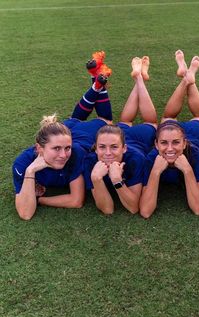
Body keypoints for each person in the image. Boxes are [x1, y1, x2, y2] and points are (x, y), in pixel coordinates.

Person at [12, 51, 113, 220]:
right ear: (39, 148)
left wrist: (41, 200)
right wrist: (31, 171)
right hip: (65, 131)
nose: (63, 154)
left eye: (66, 148)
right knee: (74, 118)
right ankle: (97, 80)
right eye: (56, 149)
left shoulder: (75, 153)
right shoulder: (23, 163)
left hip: (81, 135)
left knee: (106, 121)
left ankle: (97, 82)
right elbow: (25, 213)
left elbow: (76, 200)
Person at [84, 56, 157, 215]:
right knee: (125, 121)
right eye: (102, 147)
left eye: (114, 148)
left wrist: (117, 181)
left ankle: (139, 77)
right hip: (116, 134)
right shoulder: (90, 161)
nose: (108, 153)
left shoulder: (135, 158)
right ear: (95, 149)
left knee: (150, 123)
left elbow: (133, 208)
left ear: (124, 149)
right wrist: (96, 179)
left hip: (138, 139)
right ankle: (138, 76)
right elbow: (107, 209)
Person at [139, 51, 199, 218]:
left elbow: (198, 208)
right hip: (172, 132)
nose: (169, 149)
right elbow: (145, 212)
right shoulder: (151, 158)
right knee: (171, 119)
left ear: (184, 143)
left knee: (191, 119)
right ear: (156, 144)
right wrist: (155, 172)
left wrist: (187, 170)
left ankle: (187, 78)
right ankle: (187, 75)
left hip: (194, 134)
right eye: (163, 143)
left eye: (176, 143)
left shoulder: (195, 154)